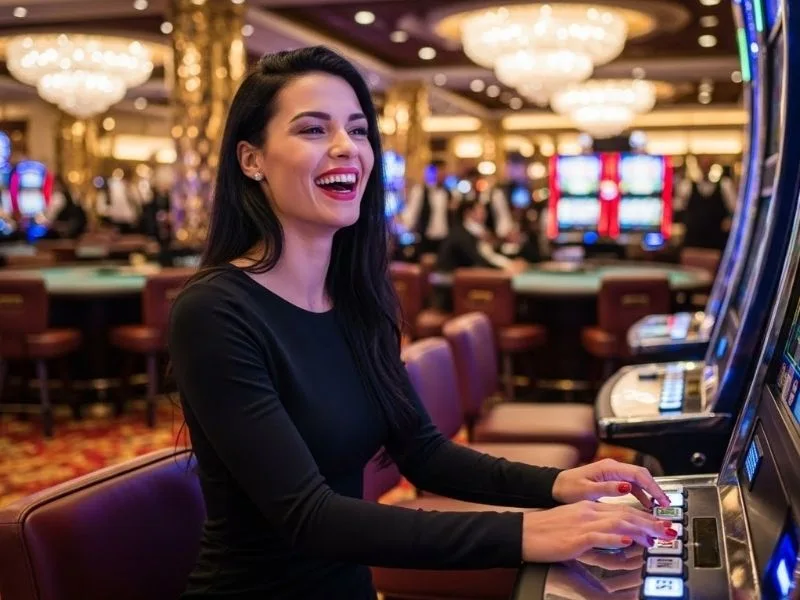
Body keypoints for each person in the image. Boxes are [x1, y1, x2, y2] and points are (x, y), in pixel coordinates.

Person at [168, 46, 676, 599]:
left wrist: (556, 485)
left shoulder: (356, 301)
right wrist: (530, 531)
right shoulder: (215, 312)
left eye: (358, 131)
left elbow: (424, 454)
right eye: (313, 130)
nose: (346, 148)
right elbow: (310, 517)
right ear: (252, 159)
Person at [436, 197, 528, 274]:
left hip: (472, 277)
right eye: (481, 210)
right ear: (468, 213)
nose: (485, 214)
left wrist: (510, 263)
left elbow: (492, 255)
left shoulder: (480, 232)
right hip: (453, 284)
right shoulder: (460, 234)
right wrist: (504, 268)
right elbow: (477, 261)